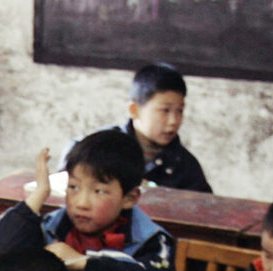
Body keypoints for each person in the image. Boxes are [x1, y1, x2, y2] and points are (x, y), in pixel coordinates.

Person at [0, 129, 176, 271]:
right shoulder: (49, 227)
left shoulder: (152, 240)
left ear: (130, 198)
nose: (81, 203)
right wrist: (39, 193)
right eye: (74, 187)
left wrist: (82, 262)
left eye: (99, 191)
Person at [59, 62, 211, 193]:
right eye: (165, 110)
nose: (173, 121)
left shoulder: (185, 165)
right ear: (134, 110)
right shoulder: (98, 148)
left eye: (180, 111)